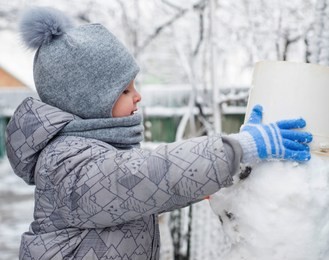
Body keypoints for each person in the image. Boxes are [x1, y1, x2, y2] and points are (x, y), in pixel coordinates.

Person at [6, 7, 312, 260]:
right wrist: (237, 148)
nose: (137, 96)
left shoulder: (99, 153)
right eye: (125, 90)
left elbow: (156, 189)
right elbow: (147, 177)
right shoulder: (66, 163)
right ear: (88, 102)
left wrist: (230, 167)